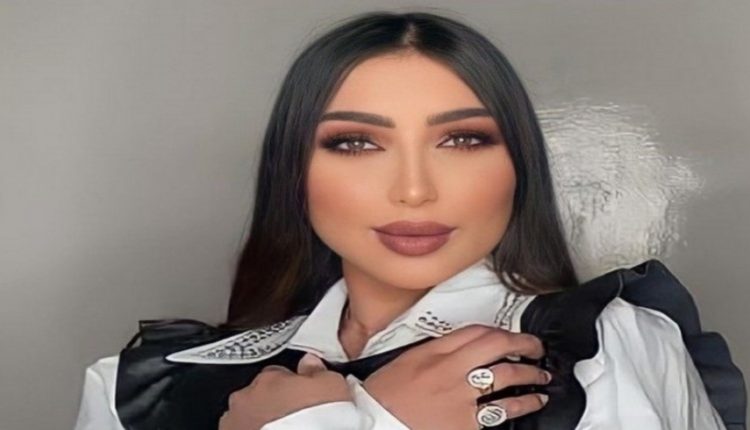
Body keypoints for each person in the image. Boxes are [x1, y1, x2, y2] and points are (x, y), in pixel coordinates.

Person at [73, 10, 729, 430]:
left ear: (518, 167)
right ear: (293, 171)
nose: (414, 190)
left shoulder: (602, 345)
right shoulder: (143, 388)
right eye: (355, 143)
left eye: (463, 140)